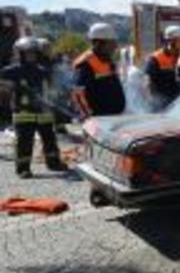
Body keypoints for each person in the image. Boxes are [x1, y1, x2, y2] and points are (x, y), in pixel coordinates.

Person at [0, 37, 68, 178]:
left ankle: (53, 162)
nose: (31, 56)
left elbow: (51, 88)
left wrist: (53, 99)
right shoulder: (12, 71)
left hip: (44, 112)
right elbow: (4, 87)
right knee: (24, 142)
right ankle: (23, 168)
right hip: (23, 112)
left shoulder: (43, 70)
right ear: (20, 54)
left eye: (33, 53)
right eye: (28, 53)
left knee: (50, 140)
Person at [72, 23, 126, 118]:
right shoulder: (85, 64)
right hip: (97, 120)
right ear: (98, 44)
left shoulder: (108, 61)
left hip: (114, 117)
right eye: (111, 43)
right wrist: (89, 118)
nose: (115, 47)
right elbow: (78, 95)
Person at [144, 25, 180, 109]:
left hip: (178, 102)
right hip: (161, 104)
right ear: (171, 41)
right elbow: (148, 84)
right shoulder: (156, 58)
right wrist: (154, 102)